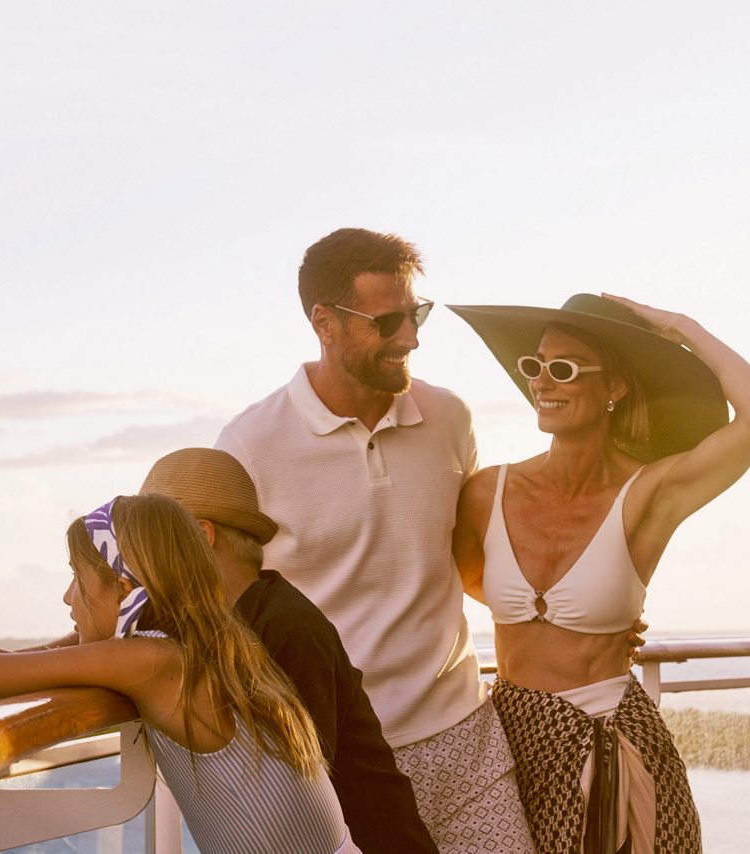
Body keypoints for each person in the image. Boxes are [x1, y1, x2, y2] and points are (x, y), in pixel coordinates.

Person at [215, 227, 535, 852]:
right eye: (387, 321)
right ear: (324, 323)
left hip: (466, 737)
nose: (411, 337)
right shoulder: (250, 445)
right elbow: (218, 597)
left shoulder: (450, 419)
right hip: (342, 755)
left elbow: (470, 562)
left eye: (416, 314)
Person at [0, 493, 359, 854]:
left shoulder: (154, 659)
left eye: (78, 577)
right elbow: (13, 665)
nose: (68, 597)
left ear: (124, 588)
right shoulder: (209, 641)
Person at [448, 293, 750, 852]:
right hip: (513, 750)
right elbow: (467, 583)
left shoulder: (649, 493)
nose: (542, 383)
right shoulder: (486, 491)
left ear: (614, 388)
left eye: (564, 369)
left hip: (618, 752)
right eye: (535, 366)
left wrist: (680, 326)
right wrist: (573, 619)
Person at [140, 447, 438, 853]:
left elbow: (296, 786)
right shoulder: (219, 623)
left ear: (202, 537)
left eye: (154, 544)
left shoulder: (289, 629)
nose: (142, 566)